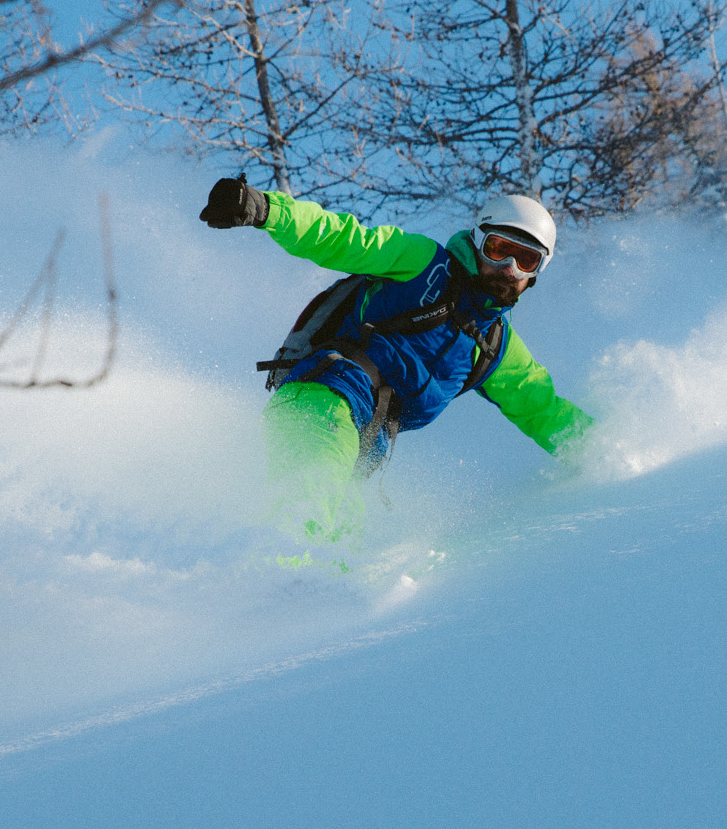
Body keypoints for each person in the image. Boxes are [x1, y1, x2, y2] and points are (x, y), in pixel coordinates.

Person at [200, 175, 592, 549]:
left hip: (364, 448)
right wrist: (266, 208)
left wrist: (608, 454)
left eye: (526, 259)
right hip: (320, 402)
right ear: (477, 241)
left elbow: (545, 410)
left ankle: (309, 609)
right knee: (308, 505)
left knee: (344, 540)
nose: (508, 267)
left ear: (537, 273)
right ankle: (274, 581)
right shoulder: (421, 263)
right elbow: (340, 237)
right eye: (498, 248)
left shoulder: (495, 346)